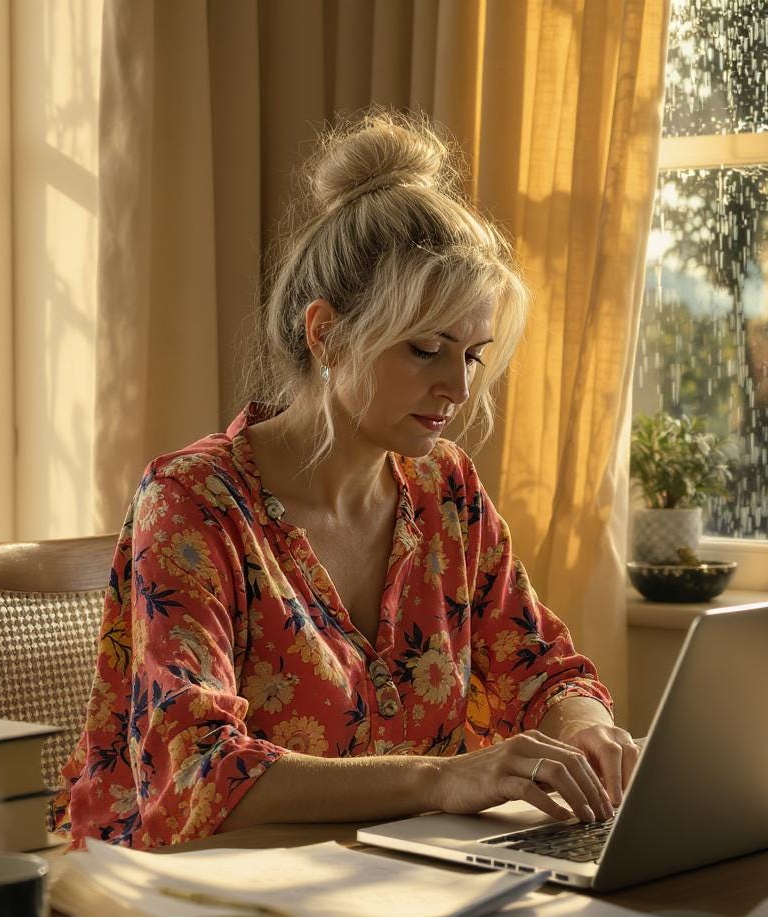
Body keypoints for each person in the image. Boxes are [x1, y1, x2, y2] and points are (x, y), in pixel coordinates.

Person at [52, 111, 638, 850]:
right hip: (190, 912)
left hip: (396, 889)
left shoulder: (445, 490)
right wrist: (440, 779)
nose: (457, 387)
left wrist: (589, 731)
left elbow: (543, 668)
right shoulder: (191, 504)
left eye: (473, 355)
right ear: (325, 332)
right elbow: (196, 769)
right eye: (426, 349)